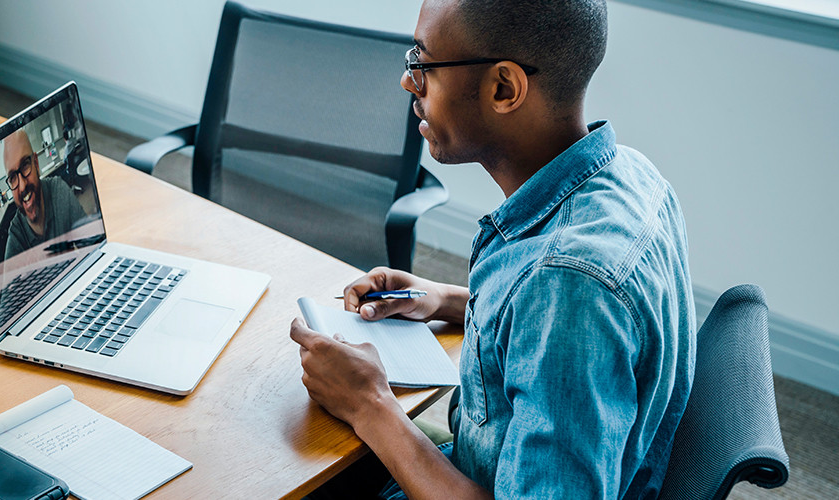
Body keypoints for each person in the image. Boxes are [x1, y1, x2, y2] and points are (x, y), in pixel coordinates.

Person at [290, 1, 694, 499]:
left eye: (423, 62)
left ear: (504, 88)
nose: (408, 82)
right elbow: (564, 329)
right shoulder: (629, 174)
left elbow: (569, 303)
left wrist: (369, 405)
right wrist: (447, 300)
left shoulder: (568, 285)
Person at [3, 129, 87, 259]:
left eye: (25, 165)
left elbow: (91, 243)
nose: (23, 185)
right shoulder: (17, 235)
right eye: (13, 177)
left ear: (36, 163)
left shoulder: (58, 191)